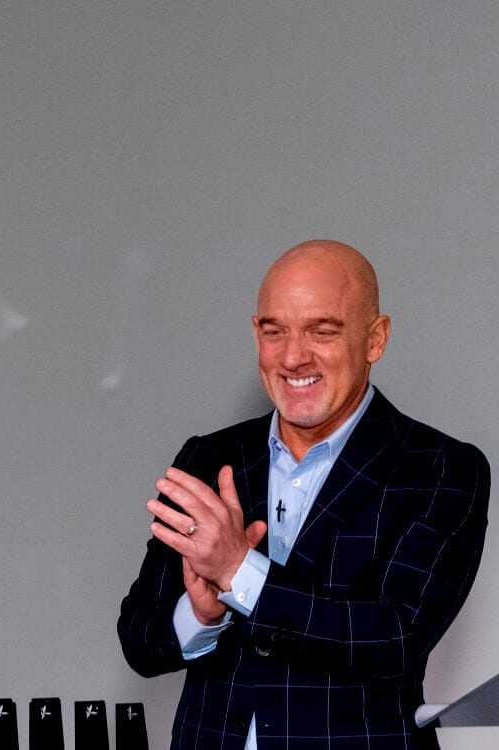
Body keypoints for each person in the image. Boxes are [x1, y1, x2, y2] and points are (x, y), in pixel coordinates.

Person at [117, 241, 489, 750]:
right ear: (256, 335)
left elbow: (395, 637)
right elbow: (140, 641)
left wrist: (237, 572)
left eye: (323, 330)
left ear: (375, 338)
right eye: (275, 331)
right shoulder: (208, 459)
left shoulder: (442, 468)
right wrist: (203, 614)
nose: (293, 357)